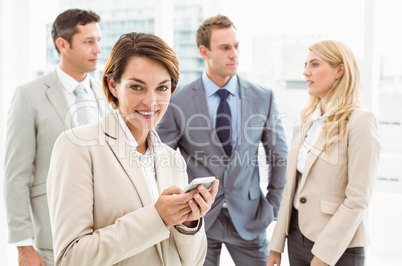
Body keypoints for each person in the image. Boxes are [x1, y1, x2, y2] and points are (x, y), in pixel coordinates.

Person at [46, 32, 219, 265]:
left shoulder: (173, 160)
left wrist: (188, 224)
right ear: (113, 85)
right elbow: (71, 258)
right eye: (137, 87)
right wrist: (156, 218)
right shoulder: (78, 147)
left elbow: (193, 262)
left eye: (162, 87)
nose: (151, 101)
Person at [157, 15, 288, 265]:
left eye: (236, 46)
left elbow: (279, 156)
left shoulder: (263, 97)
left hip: (250, 218)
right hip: (198, 217)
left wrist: (272, 207)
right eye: (225, 48)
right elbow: (161, 159)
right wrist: (178, 206)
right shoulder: (178, 101)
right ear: (204, 51)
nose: (234, 54)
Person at [4, 8, 105, 266]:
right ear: (63, 44)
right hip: (51, 240)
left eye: (99, 41)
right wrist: (24, 247)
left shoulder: (105, 96)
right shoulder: (30, 96)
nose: (98, 50)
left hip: (104, 239)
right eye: (88, 42)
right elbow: (16, 176)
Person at [266, 40, 381, 266]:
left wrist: (324, 256)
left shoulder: (360, 122)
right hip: (297, 238)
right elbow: (292, 187)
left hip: (338, 246)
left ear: (339, 70)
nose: (306, 71)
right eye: (306, 64)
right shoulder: (307, 121)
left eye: (315, 64)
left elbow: (358, 200)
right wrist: (276, 244)